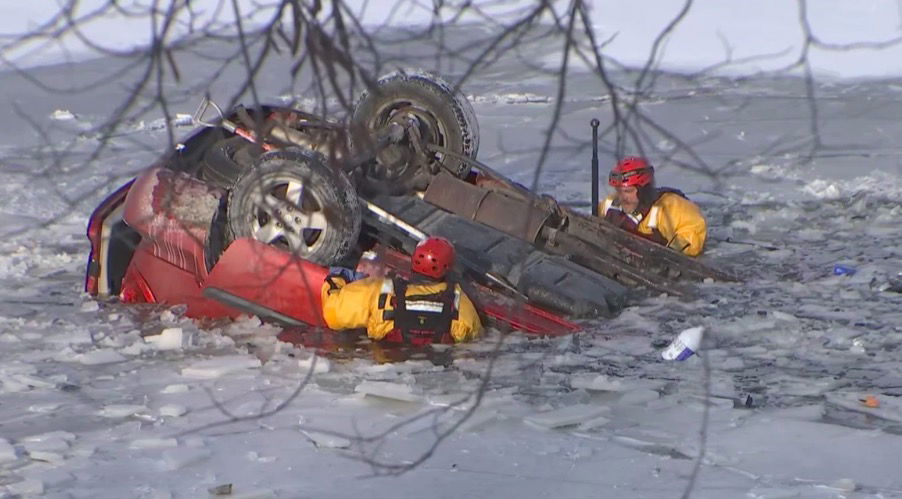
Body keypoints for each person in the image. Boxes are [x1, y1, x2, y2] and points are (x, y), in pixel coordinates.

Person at [320, 236, 482, 344]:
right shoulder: (462, 305)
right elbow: (473, 341)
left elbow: (332, 315)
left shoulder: (380, 291)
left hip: (384, 371)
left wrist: (336, 278)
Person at [599, 156, 707, 257]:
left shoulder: (671, 208)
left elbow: (692, 234)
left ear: (643, 190)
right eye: (618, 191)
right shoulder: (609, 204)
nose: (622, 198)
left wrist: (667, 255)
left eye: (628, 191)